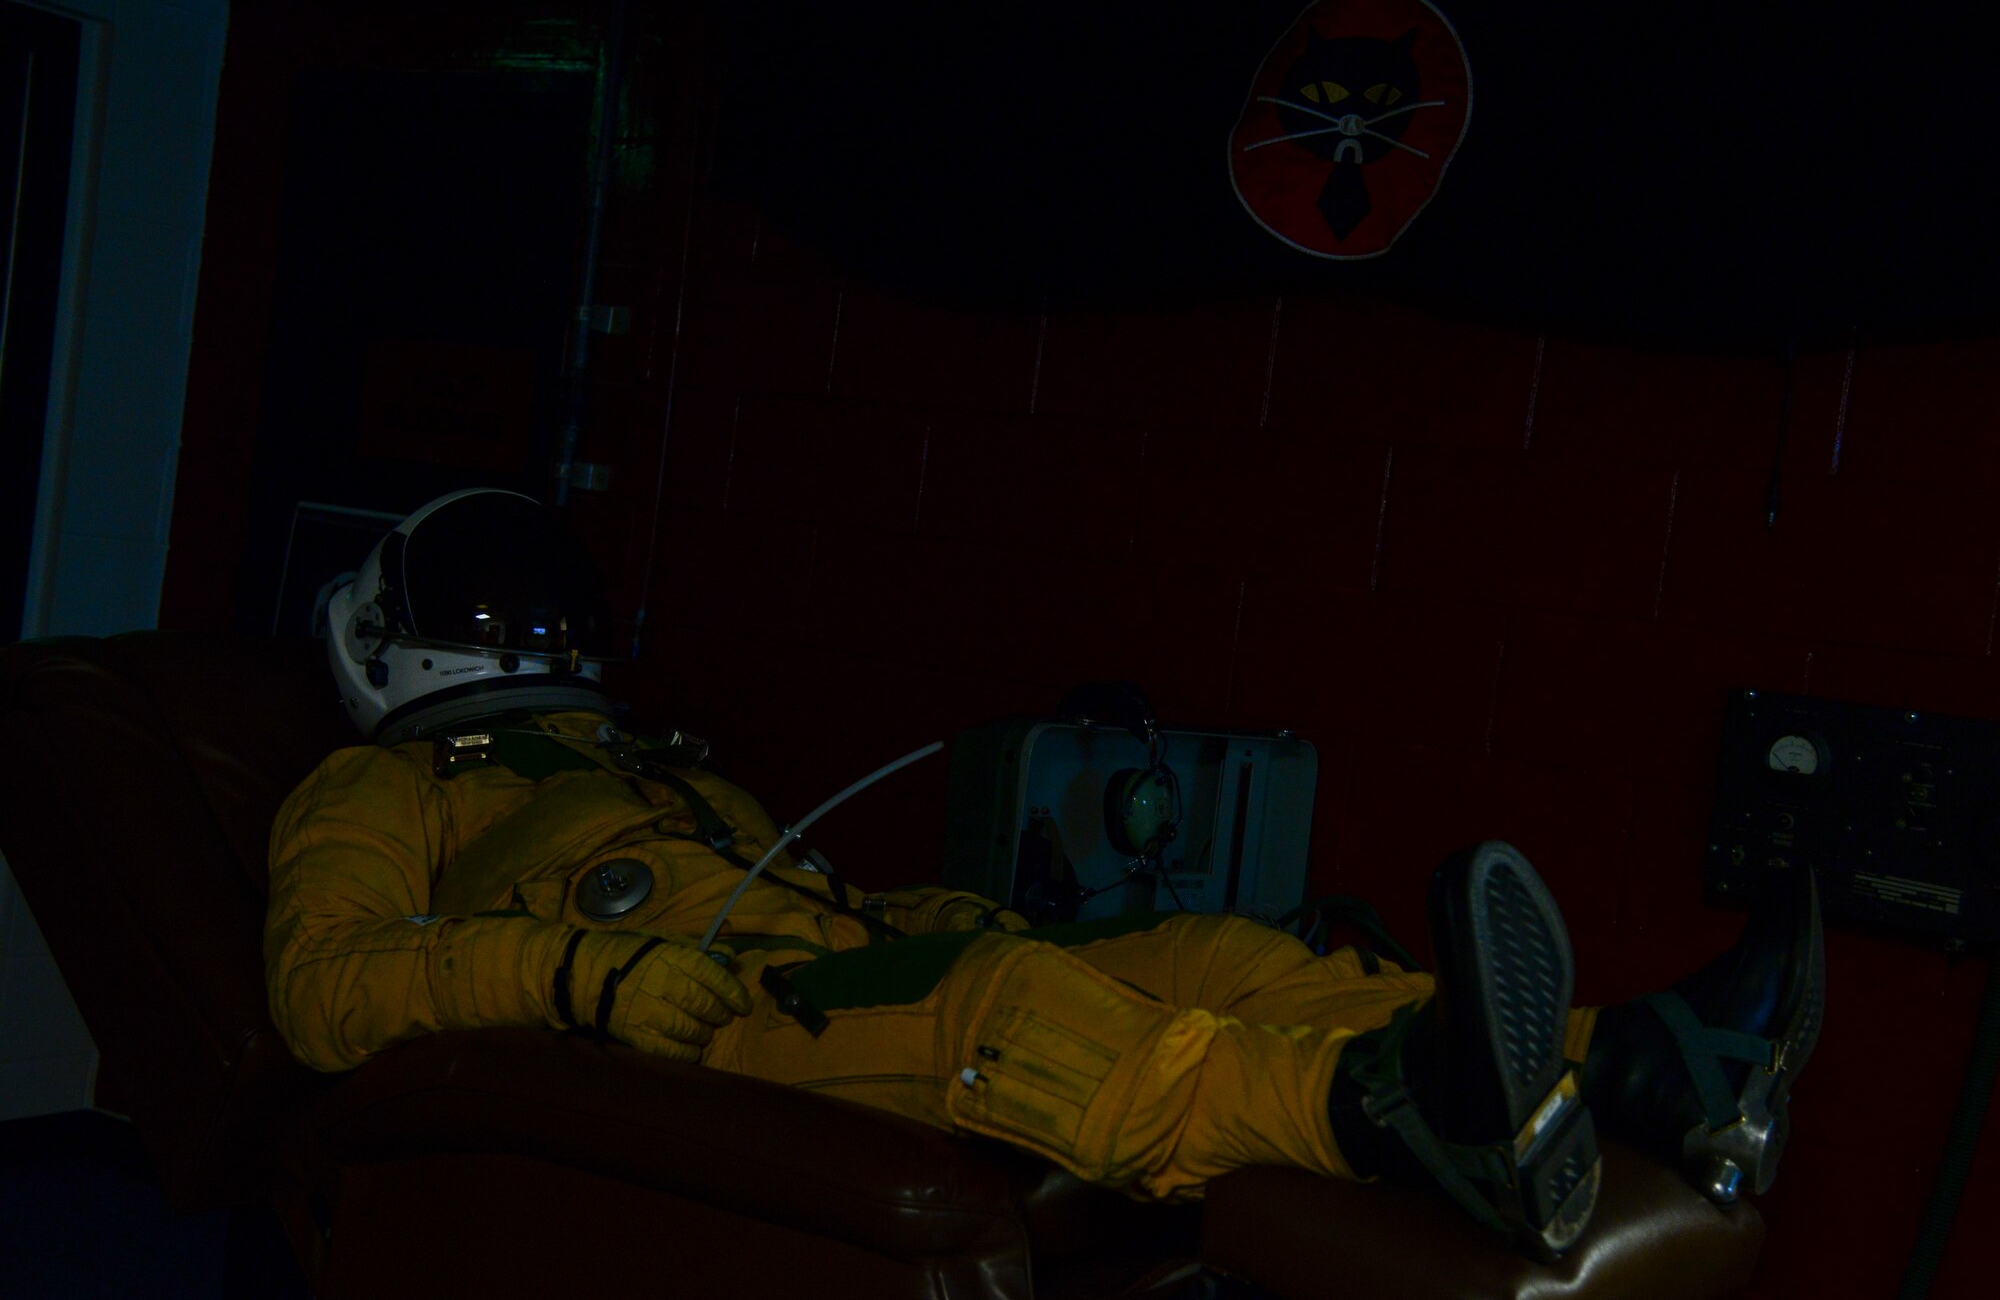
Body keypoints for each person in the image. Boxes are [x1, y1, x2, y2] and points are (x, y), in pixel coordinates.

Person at [265, 489, 1823, 1260]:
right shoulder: (383, 782)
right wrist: (579, 974)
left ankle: (1643, 1065)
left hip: (837, 957)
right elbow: (325, 992)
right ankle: (1403, 1118)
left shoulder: (653, 764)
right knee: (1010, 1004)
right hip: (704, 1027)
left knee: (1211, 953)